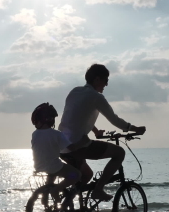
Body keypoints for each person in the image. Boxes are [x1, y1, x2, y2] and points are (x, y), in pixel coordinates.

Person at [59, 64, 146, 201]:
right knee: (119, 153)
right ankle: (98, 190)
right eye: (106, 80)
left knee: (87, 175)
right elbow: (115, 120)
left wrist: (96, 130)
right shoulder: (96, 97)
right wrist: (135, 129)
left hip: (62, 146)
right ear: (97, 79)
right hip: (78, 145)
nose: (106, 84)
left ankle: (65, 206)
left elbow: (78, 117)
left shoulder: (75, 91)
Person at [30, 103, 81, 201]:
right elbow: (71, 148)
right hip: (54, 166)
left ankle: (45, 196)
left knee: (52, 172)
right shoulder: (56, 134)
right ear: (51, 120)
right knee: (76, 174)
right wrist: (82, 143)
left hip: (39, 166)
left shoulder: (35, 134)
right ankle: (56, 189)